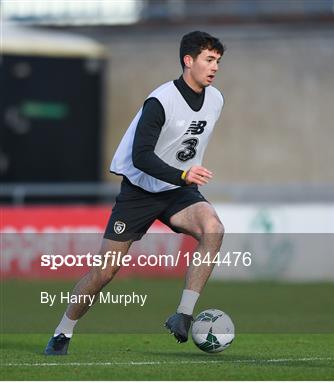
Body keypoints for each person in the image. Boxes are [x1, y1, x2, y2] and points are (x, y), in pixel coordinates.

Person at [45, 31, 226, 355]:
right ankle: (63, 331)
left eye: (218, 61)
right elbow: (141, 156)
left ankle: (183, 314)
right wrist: (183, 173)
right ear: (189, 60)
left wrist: (183, 178)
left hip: (179, 191)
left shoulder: (216, 99)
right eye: (209, 60)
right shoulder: (161, 101)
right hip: (140, 192)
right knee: (105, 272)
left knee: (213, 228)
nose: (215, 67)